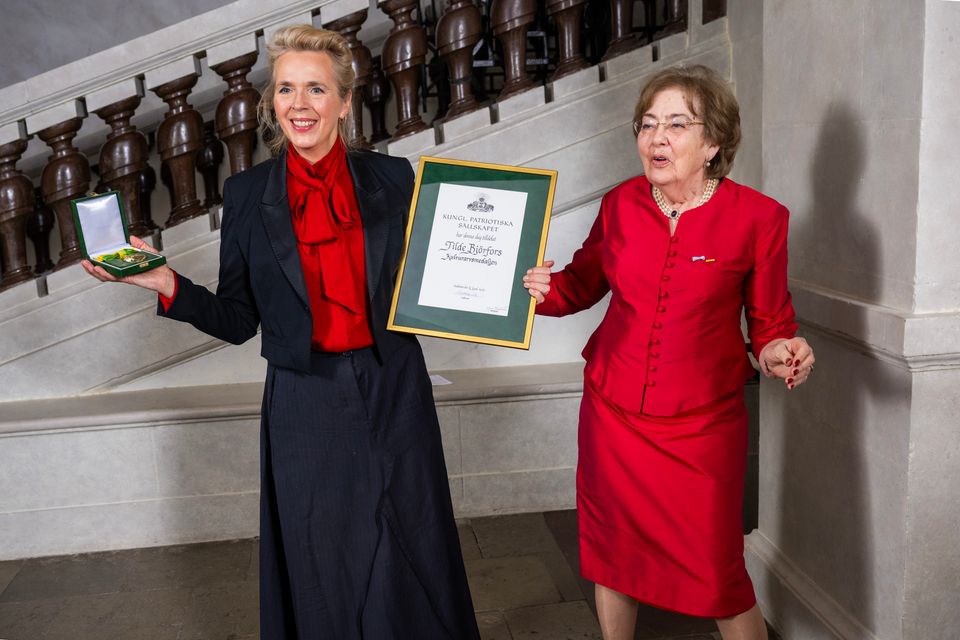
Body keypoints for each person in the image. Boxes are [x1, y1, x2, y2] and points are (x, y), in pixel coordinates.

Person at [82, 25, 480, 640]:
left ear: (344, 102)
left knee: (413, 545)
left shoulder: (395, 178)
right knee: (322, 562)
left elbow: (444, 274)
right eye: (286, 89)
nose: (299, 104)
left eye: (316, 89)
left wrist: (507, 281)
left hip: (395, 387)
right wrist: (166, 284)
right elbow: (240, 320)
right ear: (272, 103)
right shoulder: (246, 195)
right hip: (304, 398)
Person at [522, 65, 815, 640]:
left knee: (718, 573)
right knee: (614, 555)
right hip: (613, 411)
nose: (656, 138)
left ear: (713, 143)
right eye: (647, 124)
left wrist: (782, 352)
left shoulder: (760, 219)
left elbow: (770, 324)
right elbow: (581, 284)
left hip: (702, 425)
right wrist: (540, 291)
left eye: (677, 124)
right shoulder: (620, 204)